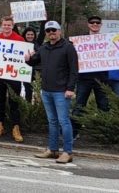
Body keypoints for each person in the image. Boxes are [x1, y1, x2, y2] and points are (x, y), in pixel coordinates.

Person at [25, 20, 78, 164]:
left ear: (59, 31)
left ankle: (67, 152)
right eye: (48, 31)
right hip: (46, 90)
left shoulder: (68, 47)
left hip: (62, 92)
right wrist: (28, 59)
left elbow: (74, 70)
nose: (51, 33)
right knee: (52, 121)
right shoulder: (44, 47)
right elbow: (34, 61)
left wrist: (70, 89)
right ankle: (53, 150)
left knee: (64, 122)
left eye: (54, 30)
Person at [71, 15, 110, 139]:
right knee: (79, 105)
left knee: (103, 106)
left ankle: (104, 133)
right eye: (92, 22)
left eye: (97, 23)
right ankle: (74, 132)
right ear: (88, 24)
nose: (95, 24)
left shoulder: (107, 39)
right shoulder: (81, 40)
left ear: (101, 25)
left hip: (101, 78)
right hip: (84, 78)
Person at [0, 15, 25, 142]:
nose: (6, 27)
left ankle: (16, 128)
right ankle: (0, 125)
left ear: (13, 25)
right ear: (1, 25)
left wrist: (28, 55)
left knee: (14, 102)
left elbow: (23, 58)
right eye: (4, 24)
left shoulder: (20, 39)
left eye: (9, 25)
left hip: (14, 75)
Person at [22, 26, 41, 103]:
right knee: (28, 91)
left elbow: (42, 32)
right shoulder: (21, 43)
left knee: (38, 92)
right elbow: (15, 31)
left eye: (32, 34)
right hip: (25, 71)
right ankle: (28, 107)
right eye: (28, 34)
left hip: (37, 71)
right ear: (24, 35)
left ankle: (37, 110)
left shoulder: (38, 43)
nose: (30, 36)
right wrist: (14, 22)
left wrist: (44, 20)